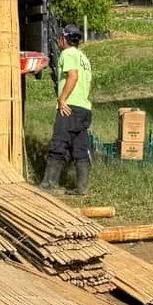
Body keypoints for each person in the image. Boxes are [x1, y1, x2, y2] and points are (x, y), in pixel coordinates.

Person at [39, 24, 93, 195]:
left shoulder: (67, 54)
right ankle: (82, 187)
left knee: (59, 143)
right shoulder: (83, 58)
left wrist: (62, 99)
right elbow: (87, 82)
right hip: (84, 108)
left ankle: (48, 184)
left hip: (69, 107)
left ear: (64, 39)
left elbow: (73, 76)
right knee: (80, 147)